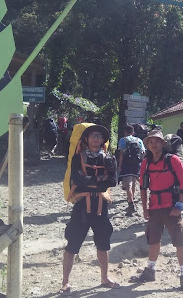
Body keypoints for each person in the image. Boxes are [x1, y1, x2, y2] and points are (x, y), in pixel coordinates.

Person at [60, 124, 120, 295]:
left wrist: (92, 181)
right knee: (73, 242)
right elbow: (77, 179)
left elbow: (113, 181)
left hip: (100, 206)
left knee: (103, 243)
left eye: (99, 136)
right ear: (86, 139)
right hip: (81, 206)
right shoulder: (78, 158)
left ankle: (104, 277)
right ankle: (65, 282)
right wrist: (99, 181)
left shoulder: (109, 158)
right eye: (92, 135)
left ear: (103, 140)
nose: (95, 138)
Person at [133, 129, 183, 291]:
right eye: (150, 142)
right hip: (155, 208)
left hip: (172, 207)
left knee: (180, 241)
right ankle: (150, 271)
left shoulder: (172, 160)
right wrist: (145, 208)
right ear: (147, 145)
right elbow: (143, 187)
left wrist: (179, 206)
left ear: (163, 143)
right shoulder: (146, 163)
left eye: (157, 141)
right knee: (153, 240)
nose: (153, 144)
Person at [117, 124, 145, 216]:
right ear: (133, 132)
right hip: (137, 164)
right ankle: (133, 198)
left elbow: (121, 154)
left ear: (125, 132)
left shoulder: (123, 140)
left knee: (128, 184)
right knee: (134, 182)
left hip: (126, 164)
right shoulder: (138, 140)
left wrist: (120, 166)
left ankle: (131, 203)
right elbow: (143, 153)